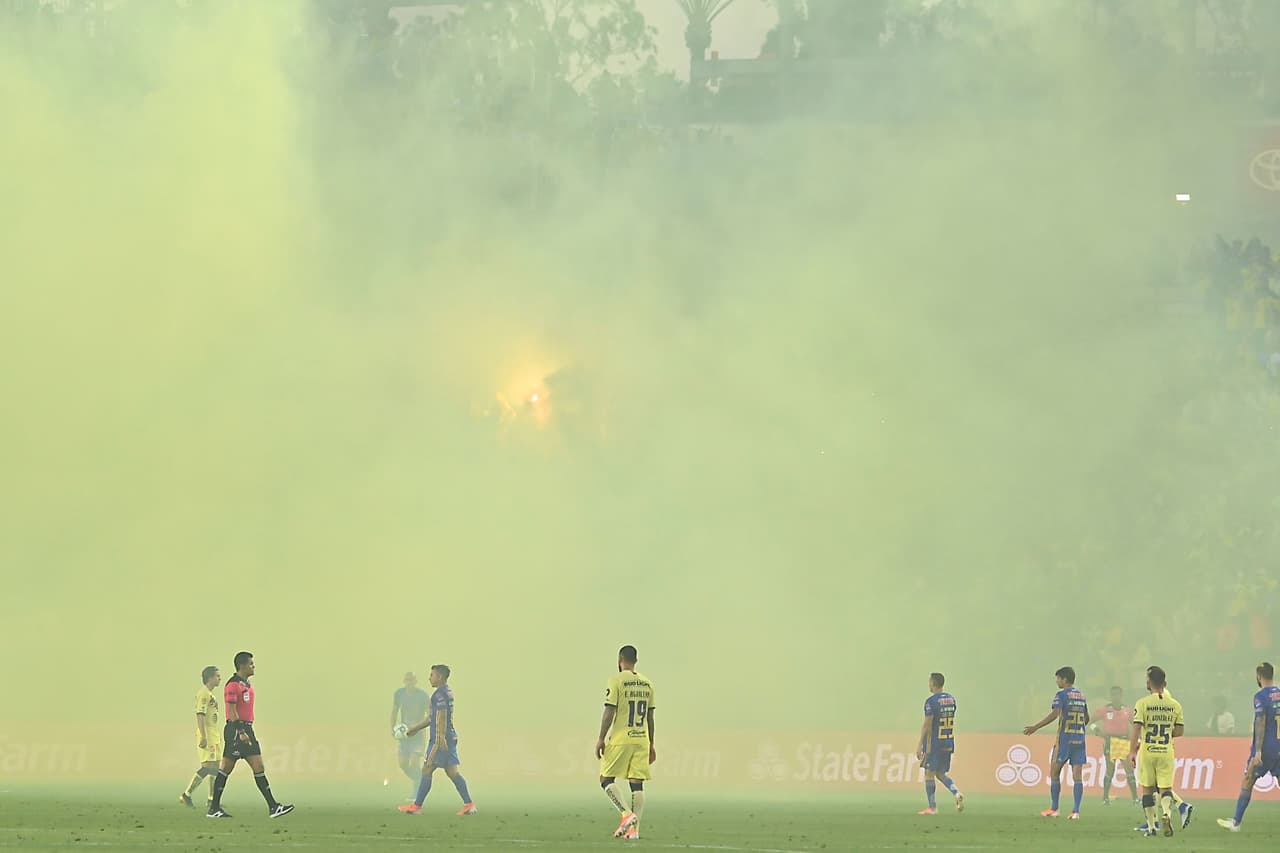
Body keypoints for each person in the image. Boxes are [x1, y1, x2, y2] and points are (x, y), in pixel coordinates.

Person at [206, 652, 295, 819]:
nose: (254, 666)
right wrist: (240, 731)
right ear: (242, 666)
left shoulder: (246, 683)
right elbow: (231, 711)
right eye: (251, 664)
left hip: (247, 728)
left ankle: (215, 808)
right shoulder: (232, 685)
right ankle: (272, 806)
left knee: (240, 767)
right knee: (240, 767)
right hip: (237, 730)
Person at [595, 645, 656, 841]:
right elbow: (650, 716)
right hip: (642, 739)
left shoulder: (616, 681)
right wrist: (651, 743)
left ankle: (626, 814)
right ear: (635, 660)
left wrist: (600, 738)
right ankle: (634, 831)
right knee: (637, 784)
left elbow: (609, 710)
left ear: (620, 659)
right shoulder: (647, 684)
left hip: (622, 738)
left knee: (605, 779)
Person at [397, 665, 476, 815]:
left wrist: (439, 739)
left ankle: (416, 806)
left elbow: (440, 718)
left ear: (439, 677)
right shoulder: (447, 692)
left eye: (432, 675)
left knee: (426, 769)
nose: (429, 678)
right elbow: (432, 718)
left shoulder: (439, 695)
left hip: (440, 739)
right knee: (452, 772)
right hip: (450, 737)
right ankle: (469, 804)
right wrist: (415, 728)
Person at [1217, 661, 1280, 832]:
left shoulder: (1260, 696)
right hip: (1279, 745)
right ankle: (1235, 822)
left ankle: (1236, 822)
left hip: (1266, 748)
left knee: (1248, 779)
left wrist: (1258, 751)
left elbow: (1260, 722)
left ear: (1259, 676)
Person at [1023, 666, 1089, 819]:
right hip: (1079, 739)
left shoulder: (1061, 695)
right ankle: (1076, 811)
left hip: (1064, 740)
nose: (1056, 681)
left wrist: (1036, 727)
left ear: (1064, 679)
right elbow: (1086, 718)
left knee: (1054, 772)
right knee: (1077, 776)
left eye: (1058, 678)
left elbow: (1055, 713)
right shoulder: (1081, 696)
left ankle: (1054, 808)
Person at [1129, 666, 1185, 837]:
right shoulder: (1174, 705)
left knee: (1147, 789)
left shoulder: (1142, 703)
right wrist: (1167, 732)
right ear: (1165, 683)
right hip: (1166, 750)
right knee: (1165, 788)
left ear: (1148, 683)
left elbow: (1136, 729)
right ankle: (1167, 814)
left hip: (1147, 750)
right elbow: (1180, 731)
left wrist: (1132, 751)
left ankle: (1152, 827)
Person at [914, 672, 964, 815]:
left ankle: (932, 807)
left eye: (930, 682)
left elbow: (927, 724)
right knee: (940, 773)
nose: (929, 684)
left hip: (934, 742)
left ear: (933, 683)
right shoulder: (951, 699)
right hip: (948, 740)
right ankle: (956, 792)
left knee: (929, 774)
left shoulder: (931, 702)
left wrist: (921, 744)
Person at [180, 666, 222, 808]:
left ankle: (211, 799)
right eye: (217, 676)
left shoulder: (210, 694)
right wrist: (203, 736)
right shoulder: (203, 694)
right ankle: (186, 794)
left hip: (214, 733)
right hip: (207, 733)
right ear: (210, 678)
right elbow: (200, 714)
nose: (219, 678)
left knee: (215, 766)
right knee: (207, 766)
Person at [1090, 686, 1138, 806]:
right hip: (1110, 742)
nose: (1115, 697)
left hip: (1124, 742)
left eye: (1117, 695)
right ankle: (1105, 798)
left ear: (1121, 696)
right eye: (1113, 695)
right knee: (1110, 770)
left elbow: (1136, 725)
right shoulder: (1105, 710)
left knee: (1129, 770)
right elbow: (1090, 721)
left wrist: (1137, 739)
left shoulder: (1127, 710)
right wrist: (1097, 730)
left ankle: (1135, 799)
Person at [390, 671, 430, 795]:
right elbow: (394, 711)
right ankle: (419, 780)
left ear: (415, 681)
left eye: (411, 680)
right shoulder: (399, 694)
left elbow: (429, 714)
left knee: (414, 762)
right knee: (403, 764)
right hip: (404, 735)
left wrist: (419, 726)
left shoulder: (422, 696)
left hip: (417, 734)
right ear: (404, 681)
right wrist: (393, 728)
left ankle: (416, 791)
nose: (409, 682)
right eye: (407, 680)